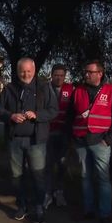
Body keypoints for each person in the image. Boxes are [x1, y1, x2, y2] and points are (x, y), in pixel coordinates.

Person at [0, 57, 58, 223]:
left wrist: (37, 115)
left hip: (37, 141)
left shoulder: (44, 88)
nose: (26, 74)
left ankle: (38, 206)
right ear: (17, 71)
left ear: (34, 70)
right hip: (15, 140)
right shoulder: (9, 88)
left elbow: (53, 110)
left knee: (38, 175)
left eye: (29, 70)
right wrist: (11, 116)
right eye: (22, 71)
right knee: (16, 176)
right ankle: (21, 205)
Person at [67, 59, 112, 223]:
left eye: (90, 72)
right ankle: (88, 210)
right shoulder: (78, 91)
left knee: (103, 179)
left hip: (101, 142)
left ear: (100, 74)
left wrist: (109, 139)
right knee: (85, 177)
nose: (86, 75)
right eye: (85, 72)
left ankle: (105, 214)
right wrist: (72, 136)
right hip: (81, 141)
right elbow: (71, 116)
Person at [43, 64, 73, 209]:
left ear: (65, 76)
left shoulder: (70, 90)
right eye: (56, 75)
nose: (59, 77)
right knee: (48, 165)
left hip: (64, 134)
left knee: (62, 165)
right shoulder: (45, 89)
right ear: (51, 75)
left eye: (61, 75)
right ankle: (47, 193)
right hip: (48, 133)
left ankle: (59, 192)